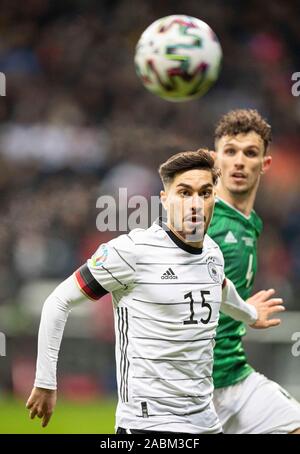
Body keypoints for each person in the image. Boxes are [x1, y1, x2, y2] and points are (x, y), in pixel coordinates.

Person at [26, 149, 284, 434]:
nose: (196, 203)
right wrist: (45, 382)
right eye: (184, 193)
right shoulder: (132, 252)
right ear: (165, 199)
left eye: (205, 193)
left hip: (206, 422)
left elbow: (220, 288)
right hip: (149, 425)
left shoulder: (212, 252)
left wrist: (250, 314)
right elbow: (58, 302)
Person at [209, 109, 300, 434]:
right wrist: (247, 311)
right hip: (190, 388)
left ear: (265, 164)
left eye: (250, 153)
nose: (239, 161)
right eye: (230, 151)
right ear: (213, 160)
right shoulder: (201, 219)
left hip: (234, 375)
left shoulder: (251, 224)